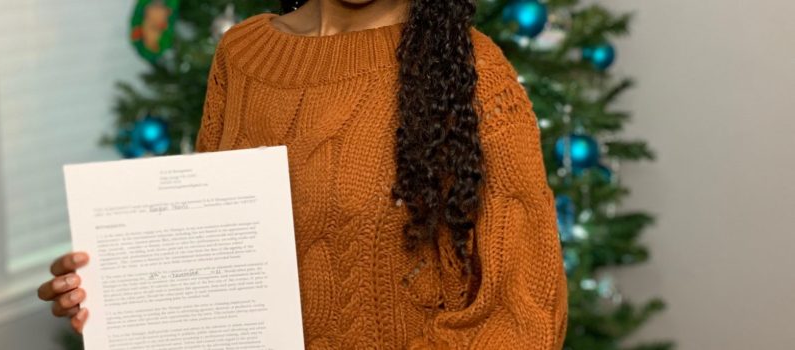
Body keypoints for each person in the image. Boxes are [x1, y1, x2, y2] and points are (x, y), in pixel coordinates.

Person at [38, 0, 568, 348]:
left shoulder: (472, 71)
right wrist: (119, 298)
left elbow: (527, 311)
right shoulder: (241, 56)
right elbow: (210, 262)